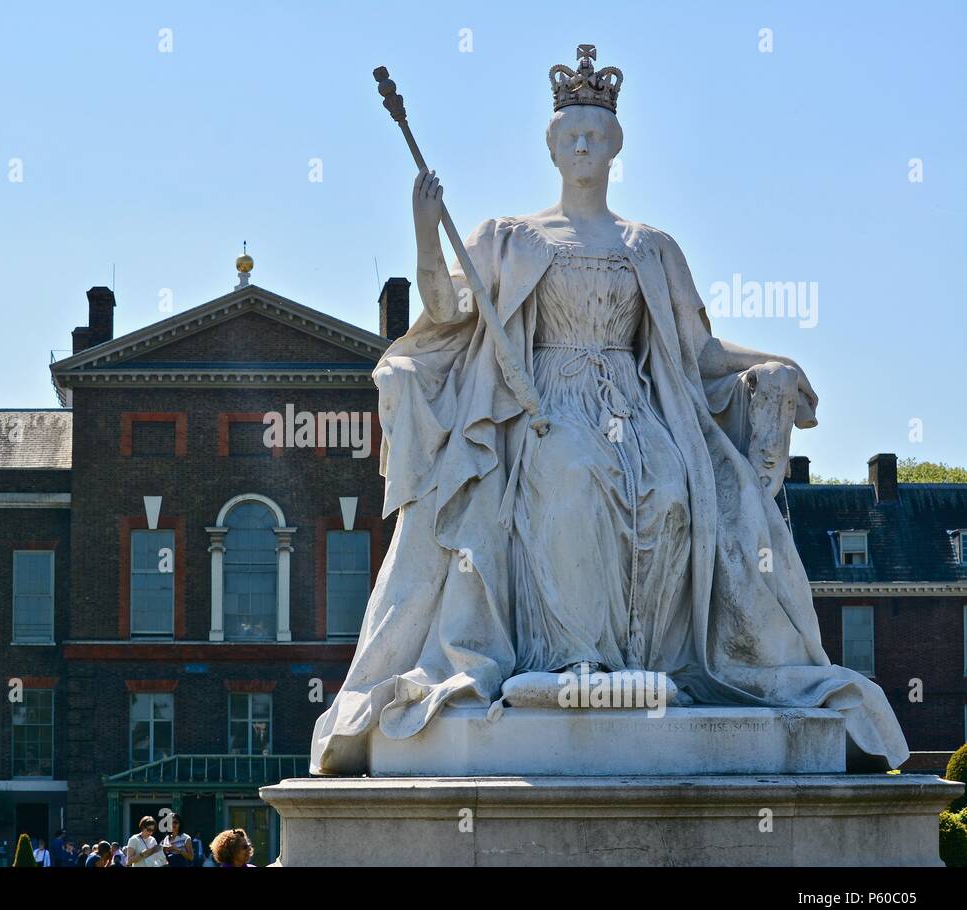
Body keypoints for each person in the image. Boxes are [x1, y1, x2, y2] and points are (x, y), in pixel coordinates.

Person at [309, 43, 909, 776]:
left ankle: (644, 665)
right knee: (570, 473)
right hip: (542, 404)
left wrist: (775, 365)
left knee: (667, 486)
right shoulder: (509, 236)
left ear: (614, 149)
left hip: (635, 402)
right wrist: (423, 224)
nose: (583, 145)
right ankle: (574, 663)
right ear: (554, 149)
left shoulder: (651, 247)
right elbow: (444, 310)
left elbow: (699, 355)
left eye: (596, 135)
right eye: (570, 136)